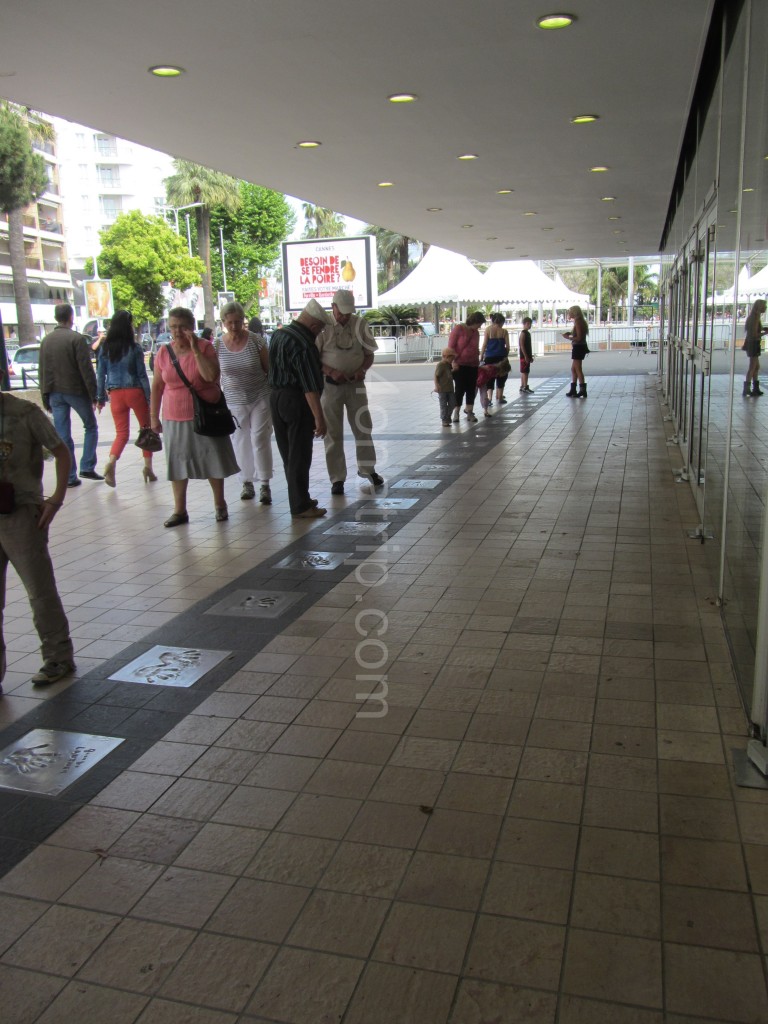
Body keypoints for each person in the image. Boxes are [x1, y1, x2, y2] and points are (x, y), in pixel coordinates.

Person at [0, 391, 75, 691]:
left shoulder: (24, 412)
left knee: (39, 590)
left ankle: (58, 657)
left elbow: (61, 451)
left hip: (21, 512)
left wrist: (55, 499)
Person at [149, 306, 239, 527]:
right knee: (178, 463)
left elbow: (210, 376)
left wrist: (195, 351)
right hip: (174, 416)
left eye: (182, 327)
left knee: (212, 459)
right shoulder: (163, 352)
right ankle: (180, 510)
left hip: (205, 414)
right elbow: (157, 387)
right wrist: (153, 417)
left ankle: (220, 504)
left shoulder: (205, 348)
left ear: (191, 328)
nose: (177, 332)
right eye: (173, 327)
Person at [315, 289, 384, 496]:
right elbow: (313, 358)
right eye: (341, 312)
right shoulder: (323, 327)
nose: (345, 316)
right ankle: (337, 478)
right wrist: (330, 371)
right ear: (333, 307)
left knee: (363, 427)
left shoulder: (360, 324)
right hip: (330, 387)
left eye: (348, 312)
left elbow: (369, 354)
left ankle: (368, 469)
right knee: (332, 433)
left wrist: (361, 370)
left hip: (355, 385)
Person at [268, 300, 328, 518]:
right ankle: (301, 506)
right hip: (296, 401)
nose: (319, 334)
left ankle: (299, 497)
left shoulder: (278, 335)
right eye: (320, 330)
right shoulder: (304, 343)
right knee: (300, 455)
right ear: (313, 326)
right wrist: (319, 418)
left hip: (276, 398)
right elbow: (309, 386)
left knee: (288, 454)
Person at [38, 303, 103, 485]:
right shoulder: (76, 339)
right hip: (75, 390)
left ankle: (70, 475)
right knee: (90, 426)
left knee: (63, 433)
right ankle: (87, 466)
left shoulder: (46, 341)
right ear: (71, 317)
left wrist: (45, 394)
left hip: (54, 391)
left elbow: (42, 369)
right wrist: (94, 394)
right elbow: (86, 369)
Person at [217, 300, 273, 503]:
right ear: (223, 322)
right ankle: (247, 482)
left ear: (243, 321)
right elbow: (215, 374)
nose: (234, 327)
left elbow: (269, 368)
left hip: (260, 395)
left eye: (238, 322)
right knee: (240, 440)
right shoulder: (218, 345)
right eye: (230, 322)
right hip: (234, 399)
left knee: (259, 438)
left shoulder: (256, 341)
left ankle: (265, 483)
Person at [96, 310, 156, 487]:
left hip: (115, 394)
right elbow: (142, 374)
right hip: (135, 391)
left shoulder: (105, 348)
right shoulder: (134, 347)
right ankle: (148, 468)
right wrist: (148, 397)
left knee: (121, 433)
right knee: (146, 430)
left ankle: (112, 462)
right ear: (128, 326)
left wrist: (100, 397)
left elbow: (100, 375)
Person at [448, 311, 486, 422]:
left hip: (473, 365)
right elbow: (451, 346)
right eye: (479, 323)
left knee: (471, 389)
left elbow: (476, 348)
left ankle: (469, 411)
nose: (480, 326)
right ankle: (456, 412)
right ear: (475, 321)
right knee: (459, 389)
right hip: (459, 365)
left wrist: (478, 359)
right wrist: (452, 362)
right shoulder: (459, 329)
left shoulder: (476, 333)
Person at [480, 313, 510, 405]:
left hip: (489, 357)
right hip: (501, 357)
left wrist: (481, 356)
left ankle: (489, 399)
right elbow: (508, 346)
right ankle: (500, 397)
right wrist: (505, 355)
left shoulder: (488, 330)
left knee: (490, 377)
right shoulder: (504, 332)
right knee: (502, 376)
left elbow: (484, 344)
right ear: (502, 322)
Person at [742, 299, 768, 397]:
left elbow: (754, 331)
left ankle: (755, 388)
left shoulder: (754, 317)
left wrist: (763, 329)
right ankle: (747, 389)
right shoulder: (755, 318)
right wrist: (765, 333)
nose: (765, 308)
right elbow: (754, 334)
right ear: (759, 307)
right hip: (753, 344)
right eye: (764, 306)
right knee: (753, 367)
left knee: (756, 367)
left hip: (752, 344)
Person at [563, 305, 589, 398]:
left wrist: (569, 337)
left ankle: (582, 389)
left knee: (578, 369)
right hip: (580, 347)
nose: (569, 313)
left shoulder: (578, 322)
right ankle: (573, 389)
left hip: (578, 347)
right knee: (574, 369)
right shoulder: (580, 321)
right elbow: (579, 335)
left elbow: (579, 337)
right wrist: (571, 334)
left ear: (574, 312)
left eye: (570, 311)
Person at [434, 347, 457, 426]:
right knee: (443, 405)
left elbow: (449, 373)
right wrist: (437, 385)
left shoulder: (448, 365)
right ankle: (444, 419)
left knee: (453, 403)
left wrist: (454, 369)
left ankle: (447, 416)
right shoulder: (440, 365)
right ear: (446, 356)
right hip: (443, 389)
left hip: (450, 388)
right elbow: (436, 376)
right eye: (451, 358)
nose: (452, 360)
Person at [518, 317, 535, 394]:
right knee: (525, 371)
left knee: (524, 371)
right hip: (524, 356)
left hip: (527, 355)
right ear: (524, 324)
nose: (529, 325)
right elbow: (522, 345)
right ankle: (525, 386)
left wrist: (530, 355)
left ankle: (522, 386)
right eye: (527, 324)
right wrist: (525, 356)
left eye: (530, 323)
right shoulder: (523, 333)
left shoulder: (527, 333)